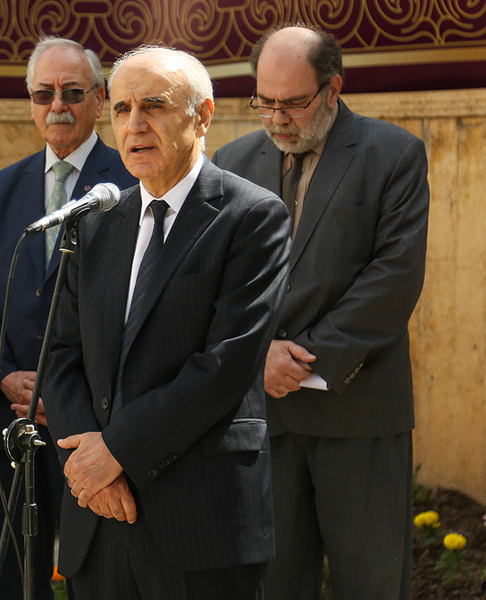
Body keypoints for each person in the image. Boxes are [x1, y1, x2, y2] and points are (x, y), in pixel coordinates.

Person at [43, 45, 291, 599]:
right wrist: (89, 467)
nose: (134, 124)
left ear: (202, 116)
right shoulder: (96, 221)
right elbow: (60, 353)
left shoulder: (251, 217)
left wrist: (116, 452)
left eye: (153, 106)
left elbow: (225, 366)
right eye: (122, 109)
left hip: (200, 521)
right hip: (99, 516)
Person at [212, 24, 429, 600]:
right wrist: (258, 356)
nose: (277, 118)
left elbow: (394, 277)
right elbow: (216, 284)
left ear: (333, 88)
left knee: (371, 584)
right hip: (264, 419)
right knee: (273, 585)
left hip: (358, 414)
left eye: (293, 103)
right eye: (265, 102)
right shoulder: (230, 163)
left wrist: (304, 362)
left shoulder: (394, 154)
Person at [0, 36, 136, 600]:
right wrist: (4, 376)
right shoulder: (3, 185)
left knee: (95, 563)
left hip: (90, 418)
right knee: (19, 565)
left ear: (99, 99)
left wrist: (60, 391)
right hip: (15, 412)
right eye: (43, 94)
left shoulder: (127, 182)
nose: (56, 105)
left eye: (71, 92)